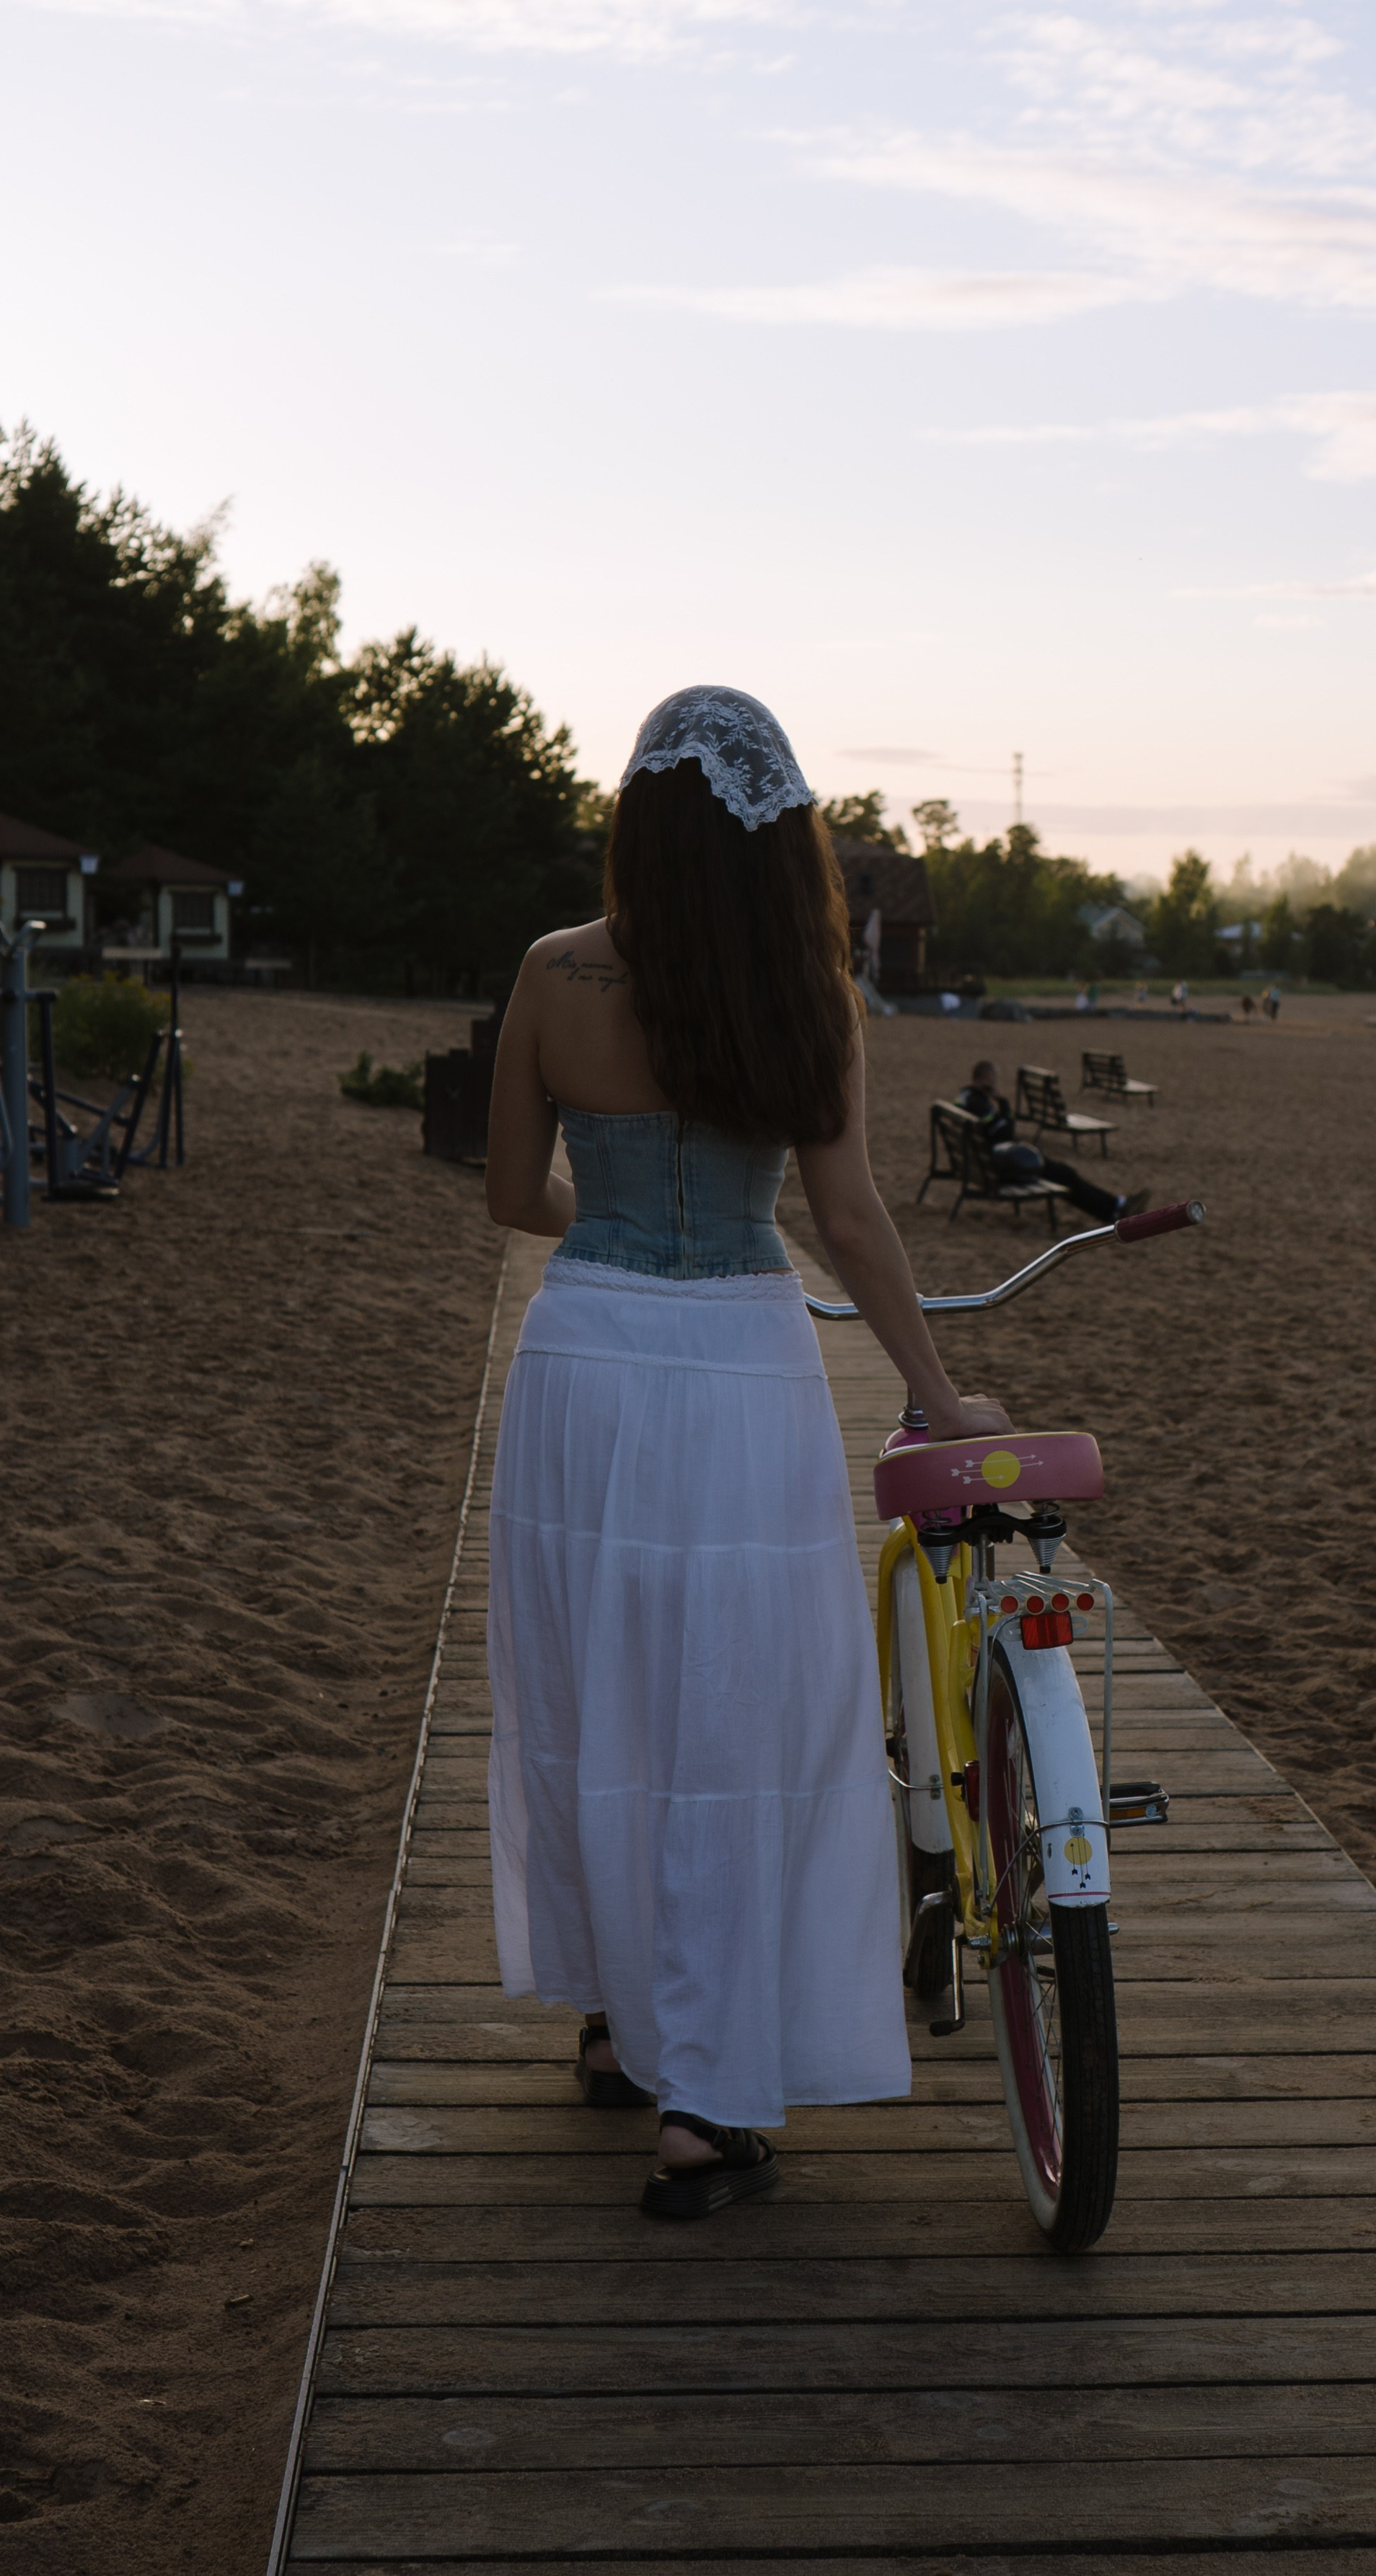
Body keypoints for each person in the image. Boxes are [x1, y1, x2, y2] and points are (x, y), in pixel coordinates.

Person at [484, 687, 1010, 2220]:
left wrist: (618, 1237)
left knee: (594, 1695)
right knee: (731, 1722)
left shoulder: (550, 974)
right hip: (738, 1366)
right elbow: (845, 1218)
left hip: (581, 1362)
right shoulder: (804, 988)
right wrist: (934, 1395)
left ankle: (608, 2024)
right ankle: (704, 2100)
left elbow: (515, 1194)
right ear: (783, 833)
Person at [957, 1062, 1146, 1225]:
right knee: (1066, 1176)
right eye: (993, 1080)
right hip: (1003, 1168)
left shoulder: (964, 1097)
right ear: (987, 1078)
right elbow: (1007, 1130)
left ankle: (1116, 1206)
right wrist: (1003, 1103)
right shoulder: (978, 1103)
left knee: (1064, 1174)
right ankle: (1115, 1209)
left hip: (986, 1164)